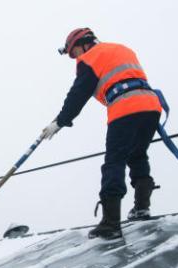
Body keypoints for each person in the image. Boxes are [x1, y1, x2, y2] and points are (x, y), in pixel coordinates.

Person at [40, 28, 162, 240]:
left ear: (84, 44)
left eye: (75, 52)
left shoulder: (90, 58)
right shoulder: (121, 49)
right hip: (151, 105)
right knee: (137, 154)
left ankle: (111, 223)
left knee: (114, 162)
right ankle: (142, 208)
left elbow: (78, 93)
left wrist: (60, 121)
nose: (76, 57)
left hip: (124, 107)